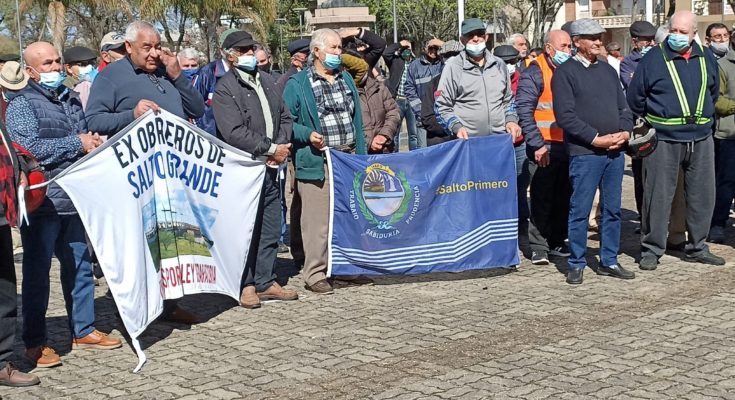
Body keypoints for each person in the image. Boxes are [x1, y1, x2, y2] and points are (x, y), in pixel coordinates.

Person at [6, 41, 121, 368]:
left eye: (58, 62)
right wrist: (76, 143)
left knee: (80, 266)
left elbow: (83, 138)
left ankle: (83, 328)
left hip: (74, 198)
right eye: (47, 64)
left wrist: (91, 143)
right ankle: (35, 342)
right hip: (43, 201)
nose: (56, 68)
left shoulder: (71, 98)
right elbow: (26, 148)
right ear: (30, 71)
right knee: (38, 274)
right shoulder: (22, 103)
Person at [85, 21, 205, 323]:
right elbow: (95, 120)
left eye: (157, 46)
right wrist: (132, 114)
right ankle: (135, 306)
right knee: (138, 243)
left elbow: (198, 110)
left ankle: (171, 303)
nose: (154, 54)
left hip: (172, 175)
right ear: (128, 48)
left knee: (170, 240)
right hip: (135, 177)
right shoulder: (110, 77)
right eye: (146, 48)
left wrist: (178, 77)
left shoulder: (166, 71)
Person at [628, 11, 725, 270]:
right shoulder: (653, 59)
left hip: (701, 136)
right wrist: (655, 120)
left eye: (684, 32)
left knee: (702, 195)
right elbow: (636, 97)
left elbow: (712, 92)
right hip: (664, 138)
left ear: (694, 34)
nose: (678, 36)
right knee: (658, 195)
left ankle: (697, 247)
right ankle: (652, 249)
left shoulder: (706, 57)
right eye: (674, 31)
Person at [212, 30, 299, 308]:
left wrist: (282, 145)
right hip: (244, 169)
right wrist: (271, 148)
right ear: (230, 56)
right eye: (244, 50)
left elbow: (286, 116)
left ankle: (265, 280)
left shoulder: (268, 81)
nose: (250, 54)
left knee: (271, 226)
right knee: (247, 228)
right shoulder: (226, 88)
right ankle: (246, 283)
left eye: (252, 49)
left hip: (272, 167)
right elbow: (233, 131)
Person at [282, 29, 368, 294]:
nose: (337, 53)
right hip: (317, 159)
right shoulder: (298, 84)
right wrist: (307, 134)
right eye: (332, 48)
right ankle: (315, 273)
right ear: (316, 52)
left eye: (339, 48)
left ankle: (342, 268)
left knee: (346, 217)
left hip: (347, 157)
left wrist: (362, 157)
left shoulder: (345, 80)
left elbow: (356, 121)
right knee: (317, 221)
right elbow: (286, 123)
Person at [552, 19, 635, 285]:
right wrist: (595, 139)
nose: (599, 41)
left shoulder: (609, 71)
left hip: (614, 152)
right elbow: (565, 116)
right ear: (577, 42)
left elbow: (624, 107)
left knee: (612, 210)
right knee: (580, 209)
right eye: (592, 37)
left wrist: (624, 132)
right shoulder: (565, 73)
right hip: (585, 153)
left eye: (600, 36)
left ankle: (608, 260)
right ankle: (576, 262)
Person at [517, 29, 573, 265]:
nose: (568, 51)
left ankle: (558, 240)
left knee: (564, 196)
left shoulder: (572, 70)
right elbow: (525, 111)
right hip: (544, 146)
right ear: (549, 48)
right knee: (541, 196)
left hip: (569, 144)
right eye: (564, 46)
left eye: (570, 46)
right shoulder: (535, 72)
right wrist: (537, 144)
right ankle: (539, 246)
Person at [0, 72, 39, 388]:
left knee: (4, 295)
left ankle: (1, 363)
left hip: (2, 210)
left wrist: (22, 165)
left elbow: (7, 145)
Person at [435, 18, 521, 141]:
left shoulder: (499, 64)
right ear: (462, 40)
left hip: (500, 139)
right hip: (467, 141)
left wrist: (511, 120)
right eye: (470, 35)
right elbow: (442, 105)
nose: (476, 39)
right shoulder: (453, 67)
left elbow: (508, 101)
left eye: (480, 34)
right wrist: (456, 127)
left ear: (486, 37)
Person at [494, 44, 530, 228]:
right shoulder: (491, 81)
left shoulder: (525, 80)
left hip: (520, 142)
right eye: (505, 62)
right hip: (496, 142)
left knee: (520, 183)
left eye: (513, 61)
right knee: (498, 185)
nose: (509, 65)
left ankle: (522, 219)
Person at [342, 53, 399, 153]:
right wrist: (368, 142)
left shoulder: (379, 87)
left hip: (384, 150)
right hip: (360, 153)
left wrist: (384, 135)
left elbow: (393, 112)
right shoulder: (343, 92)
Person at [710, 34, 735, 243]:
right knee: (726, 182)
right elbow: (716, 101)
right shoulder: (722, 65)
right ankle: (717, 223)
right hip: (729, 135)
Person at [194, 28, 238, 135]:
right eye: (234, 49)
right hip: (213, 138)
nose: (237, 53)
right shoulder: (207, 72)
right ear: (222, 50)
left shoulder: (249, 73)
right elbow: (194, 105)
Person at [404, 37, 444, 150]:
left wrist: (442, 44)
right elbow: (409, 90)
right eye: (430, 48)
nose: (433, 51)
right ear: (424, 49)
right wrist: (421, 111)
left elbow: (458, 55)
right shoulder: (414, 66)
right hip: (423, 119)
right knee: (424, 151)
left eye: (436, 48)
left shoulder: (444, 63)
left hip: (443, 115)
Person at [421, 41, 462, 147]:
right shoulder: (433, 84)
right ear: (442, 58)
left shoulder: (472, 81)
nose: (452, 58)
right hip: (440, 143)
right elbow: (427, 117)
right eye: (447, 55)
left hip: (465, 140)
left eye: (456, 54)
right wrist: (453, 127)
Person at [383, 38, 416, 151]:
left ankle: (414, 156)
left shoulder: (416, 63)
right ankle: (395, 156)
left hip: (412, 101)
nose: (406, 51)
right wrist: (400, 44)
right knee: (395, 133)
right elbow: (386, 52)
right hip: (398, 100)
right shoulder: (395, 61)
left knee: (413, 134)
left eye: (408, 49)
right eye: (404, 49)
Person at [620, 21, 657, 91]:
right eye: (648, 40)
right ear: (635, 41)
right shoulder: (627, 63)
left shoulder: (660, 57)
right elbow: (634, 87)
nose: (652, 43)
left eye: (654, 39)